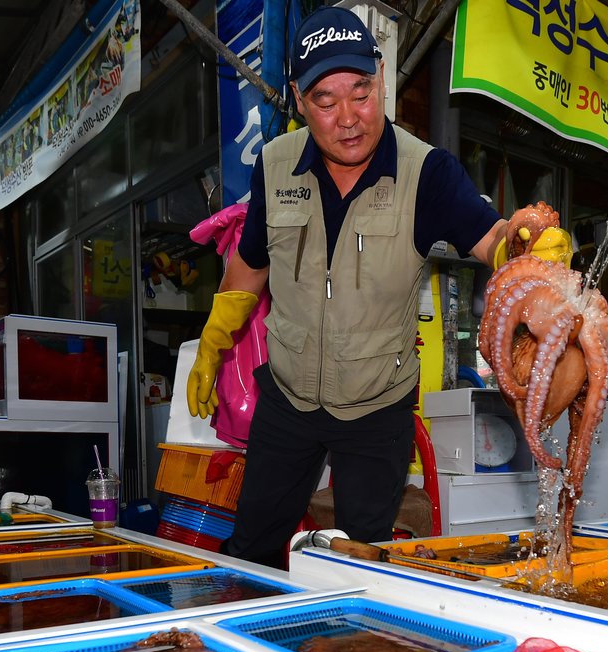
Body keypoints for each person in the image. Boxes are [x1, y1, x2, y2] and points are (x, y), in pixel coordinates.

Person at [187, 6, 568, 568]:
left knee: (361, 562)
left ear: (382, 77)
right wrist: (213, 342)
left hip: (377, 407)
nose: (349, 118)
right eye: (325, 100)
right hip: (288, 396)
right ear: (298, 99)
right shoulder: (274, 165)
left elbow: (490, 237)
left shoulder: (427, 172)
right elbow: (251, 262)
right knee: (252, 550)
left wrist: (525, 248)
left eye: (361, 92)